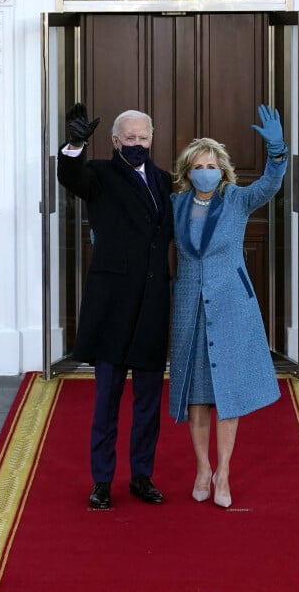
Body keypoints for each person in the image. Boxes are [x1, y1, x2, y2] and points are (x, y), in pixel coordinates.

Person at [169, 105, 288, 508]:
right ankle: (202, 468)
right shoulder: (177, 204)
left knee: (229, 393)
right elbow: (145, 230)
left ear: (222, 170)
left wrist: (276, 152)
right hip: (190, 306)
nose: (207, 170)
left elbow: (270, 186)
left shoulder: (236, 198)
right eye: (199, 164)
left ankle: (225, 472)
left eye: (213, 164)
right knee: (198, 394)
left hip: (232, 305)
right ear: (189, 171)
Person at [57, 103, 174, 510]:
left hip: (153, 307)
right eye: (130, 138)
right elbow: (70, 176)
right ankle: (102, 481)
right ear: (115, 141)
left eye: (144, 137)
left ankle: (142, 476)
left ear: (152, 139)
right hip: (112, 308)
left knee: (148, 402)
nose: (137, 143)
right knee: (106, 401)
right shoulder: (100, 176)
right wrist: (73, 144)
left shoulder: (164, 181)